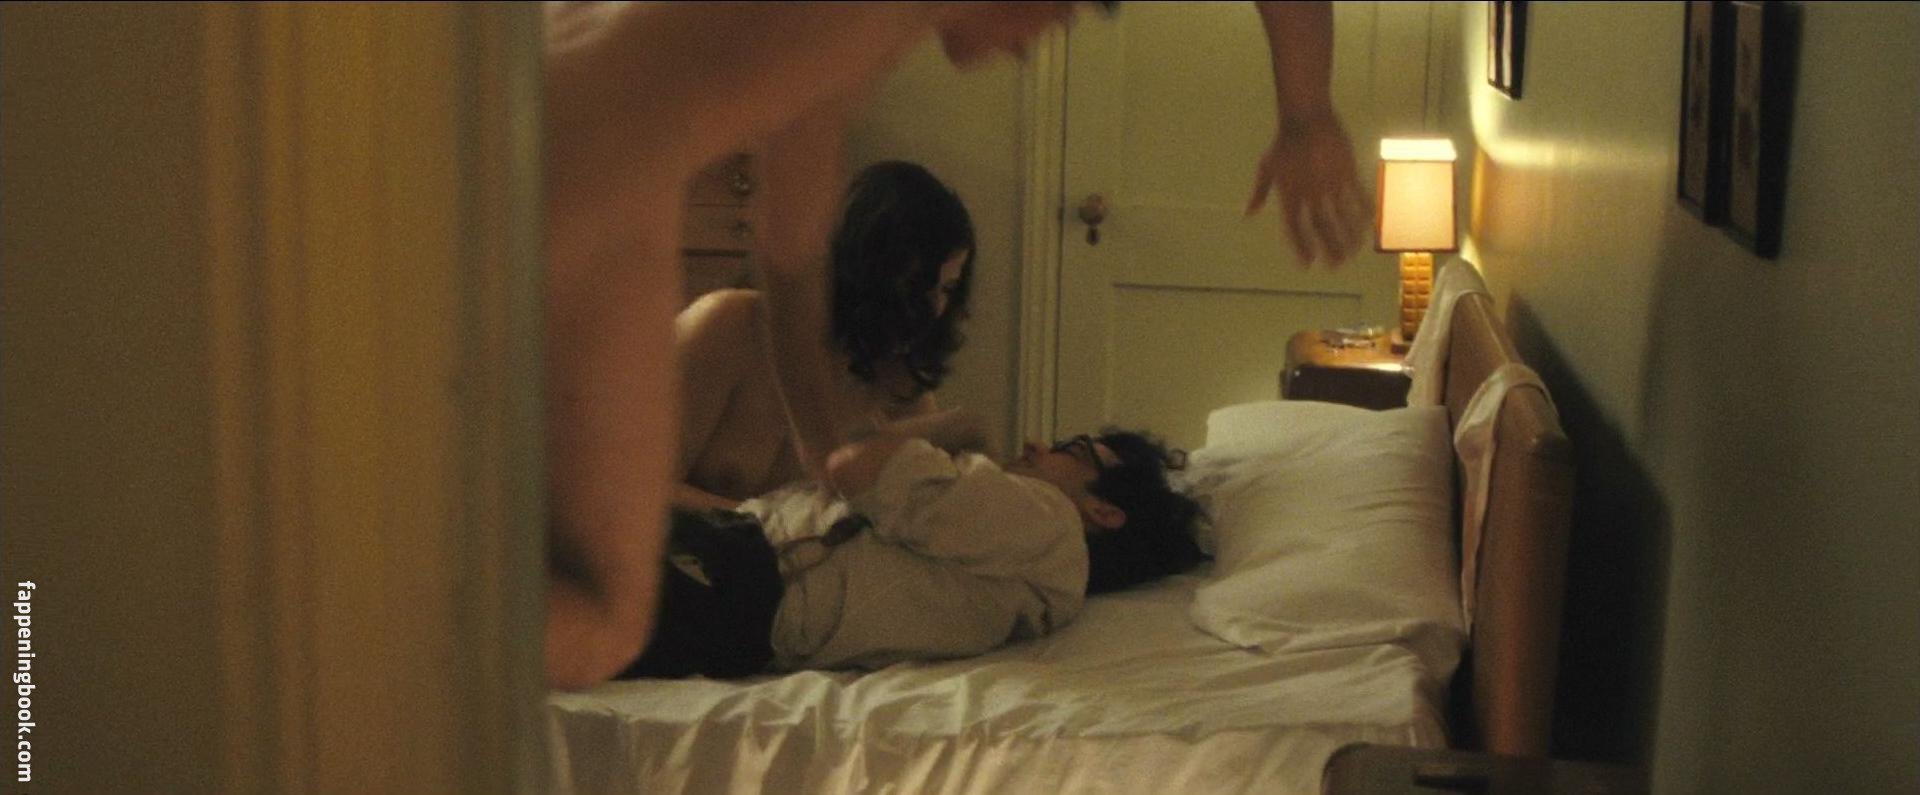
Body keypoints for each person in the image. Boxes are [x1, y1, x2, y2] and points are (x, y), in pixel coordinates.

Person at [542, 1, 1366, 688]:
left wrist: (827, 447)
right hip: (561, 157)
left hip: (587, 165)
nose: (1035, 42)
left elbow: (790, 247)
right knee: (588, 607)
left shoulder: (848, 52)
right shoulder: (852, 20)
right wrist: (1306, 112)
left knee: (594, 616)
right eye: (1063, 10)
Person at [622, 426, 1206, 678]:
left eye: (1071, 449)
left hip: (732, 585)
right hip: (733, 576)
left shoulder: (1051, 523)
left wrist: (959, 426)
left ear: (1105, 511)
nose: (1036, 445)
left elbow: (858, 466)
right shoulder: (1031, 563)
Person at [675, 161, 981, 511]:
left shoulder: (900, 387)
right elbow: (634, 489)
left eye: (947, 289)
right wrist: (762, 526)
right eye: (916, 284)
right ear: (867, 266)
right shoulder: (728, 325)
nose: (933, 310)